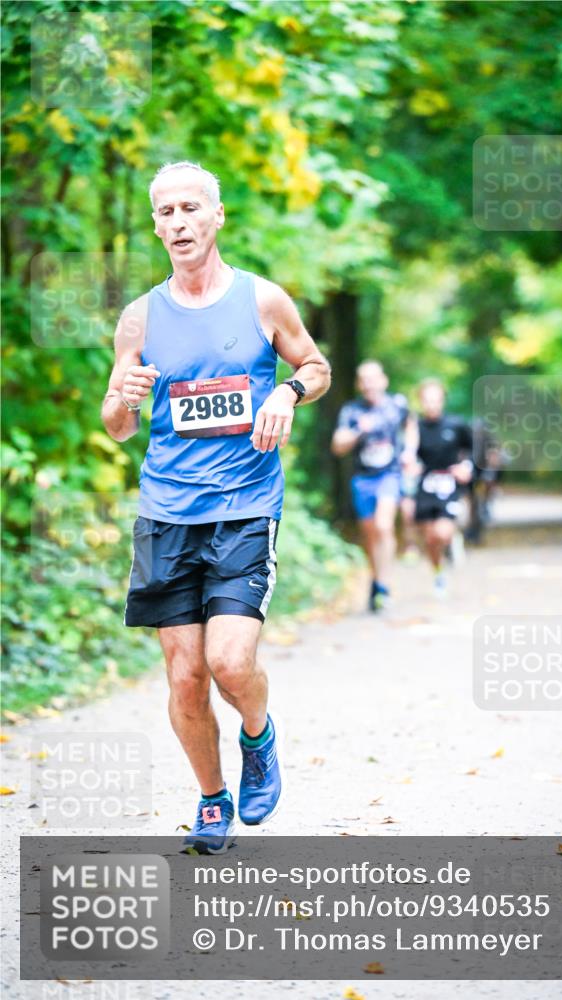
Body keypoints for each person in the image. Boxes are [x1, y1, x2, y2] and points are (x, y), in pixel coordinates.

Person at [101, 161, 330, 852]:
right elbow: (116, 424)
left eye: (190, 209)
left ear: (216, 216)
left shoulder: (263, 301)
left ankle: (257, 738)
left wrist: (284, 395)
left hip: (243, 505)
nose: (178, 223)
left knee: (230, 664)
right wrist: (124, 397)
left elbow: (313, 368)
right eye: (165, 212)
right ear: (155, 225)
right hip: (166, 512)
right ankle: (210, 799)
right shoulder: (138, 318)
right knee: (184, 672)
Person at [331, 361, 408, 612]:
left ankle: (384, 585)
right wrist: (357, 431)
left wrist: (411, 452)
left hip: (390, 475)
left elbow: (412, 425)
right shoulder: (352, 411)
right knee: (370, 533)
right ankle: (376, 580)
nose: (369, 384)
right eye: (363, 380)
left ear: (383, 380)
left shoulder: (397, 404)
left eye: (373, 378)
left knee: (384, 526)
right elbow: (338, 446)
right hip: (363, 479)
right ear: (358, 384)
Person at [404, 379, 473, 596]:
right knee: (431, 539)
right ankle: (438, 572)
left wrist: (466, 467)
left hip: (449, 484)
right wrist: (410, 464)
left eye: (436, 400)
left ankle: (453, 539)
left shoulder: (457, 425)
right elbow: (409, 452)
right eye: (427, 401)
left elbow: (472, 451)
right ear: (421, 402)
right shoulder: (415, 427)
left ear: (443, 401)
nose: (432, 405)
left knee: (442, 533)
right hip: (425, 485)